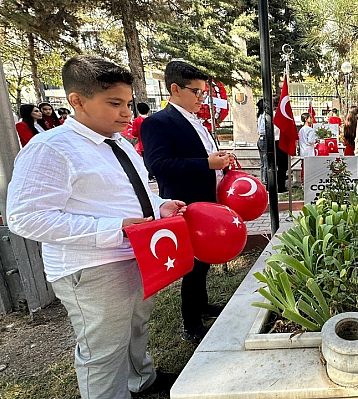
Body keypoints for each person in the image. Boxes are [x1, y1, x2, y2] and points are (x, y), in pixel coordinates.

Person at [6, 55, 185, 399]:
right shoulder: (50, 148)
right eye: (114, 103)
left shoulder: (118, 143)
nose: (126, 113)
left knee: (135, 328)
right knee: (103, 352)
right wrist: (113, 228)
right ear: (77, 101)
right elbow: (25, 217)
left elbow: (134, 192)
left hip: (136, 253)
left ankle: (141, 380)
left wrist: (160, 206)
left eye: (128, 103)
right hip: (93, 267)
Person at [142, 60, 234, 344]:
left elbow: (207, 156)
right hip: (185, 203)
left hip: (208, 200)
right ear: (174, 89)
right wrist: (206, 163)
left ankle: (202, 305)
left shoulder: (198, 121)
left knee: (203, 262)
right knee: (192, 266)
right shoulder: (158, 123)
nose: (201, 98)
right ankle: (191, 323)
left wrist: (222, 164)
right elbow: (158, 164)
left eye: (203, 93)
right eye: (196, 92)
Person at [256, 99, 268, 184]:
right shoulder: (264, 116)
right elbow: (264, 129)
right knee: (265, 160)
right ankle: (265, 179)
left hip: (261, 138)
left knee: (263, 162)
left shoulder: (260, 115)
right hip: (264, 138)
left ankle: (264, 178)